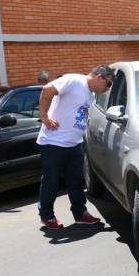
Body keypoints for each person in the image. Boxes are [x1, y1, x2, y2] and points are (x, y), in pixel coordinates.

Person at [36, 64, 115, 229]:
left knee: (76, 181)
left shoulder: (90, 94)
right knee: (51, 181)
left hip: (74, 144)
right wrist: (44, 117)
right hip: (53, 142)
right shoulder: (74, 80)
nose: (107, 89)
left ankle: (80, 214)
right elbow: (47, 90)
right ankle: (46, 215)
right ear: (99, 77)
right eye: (108, 84)